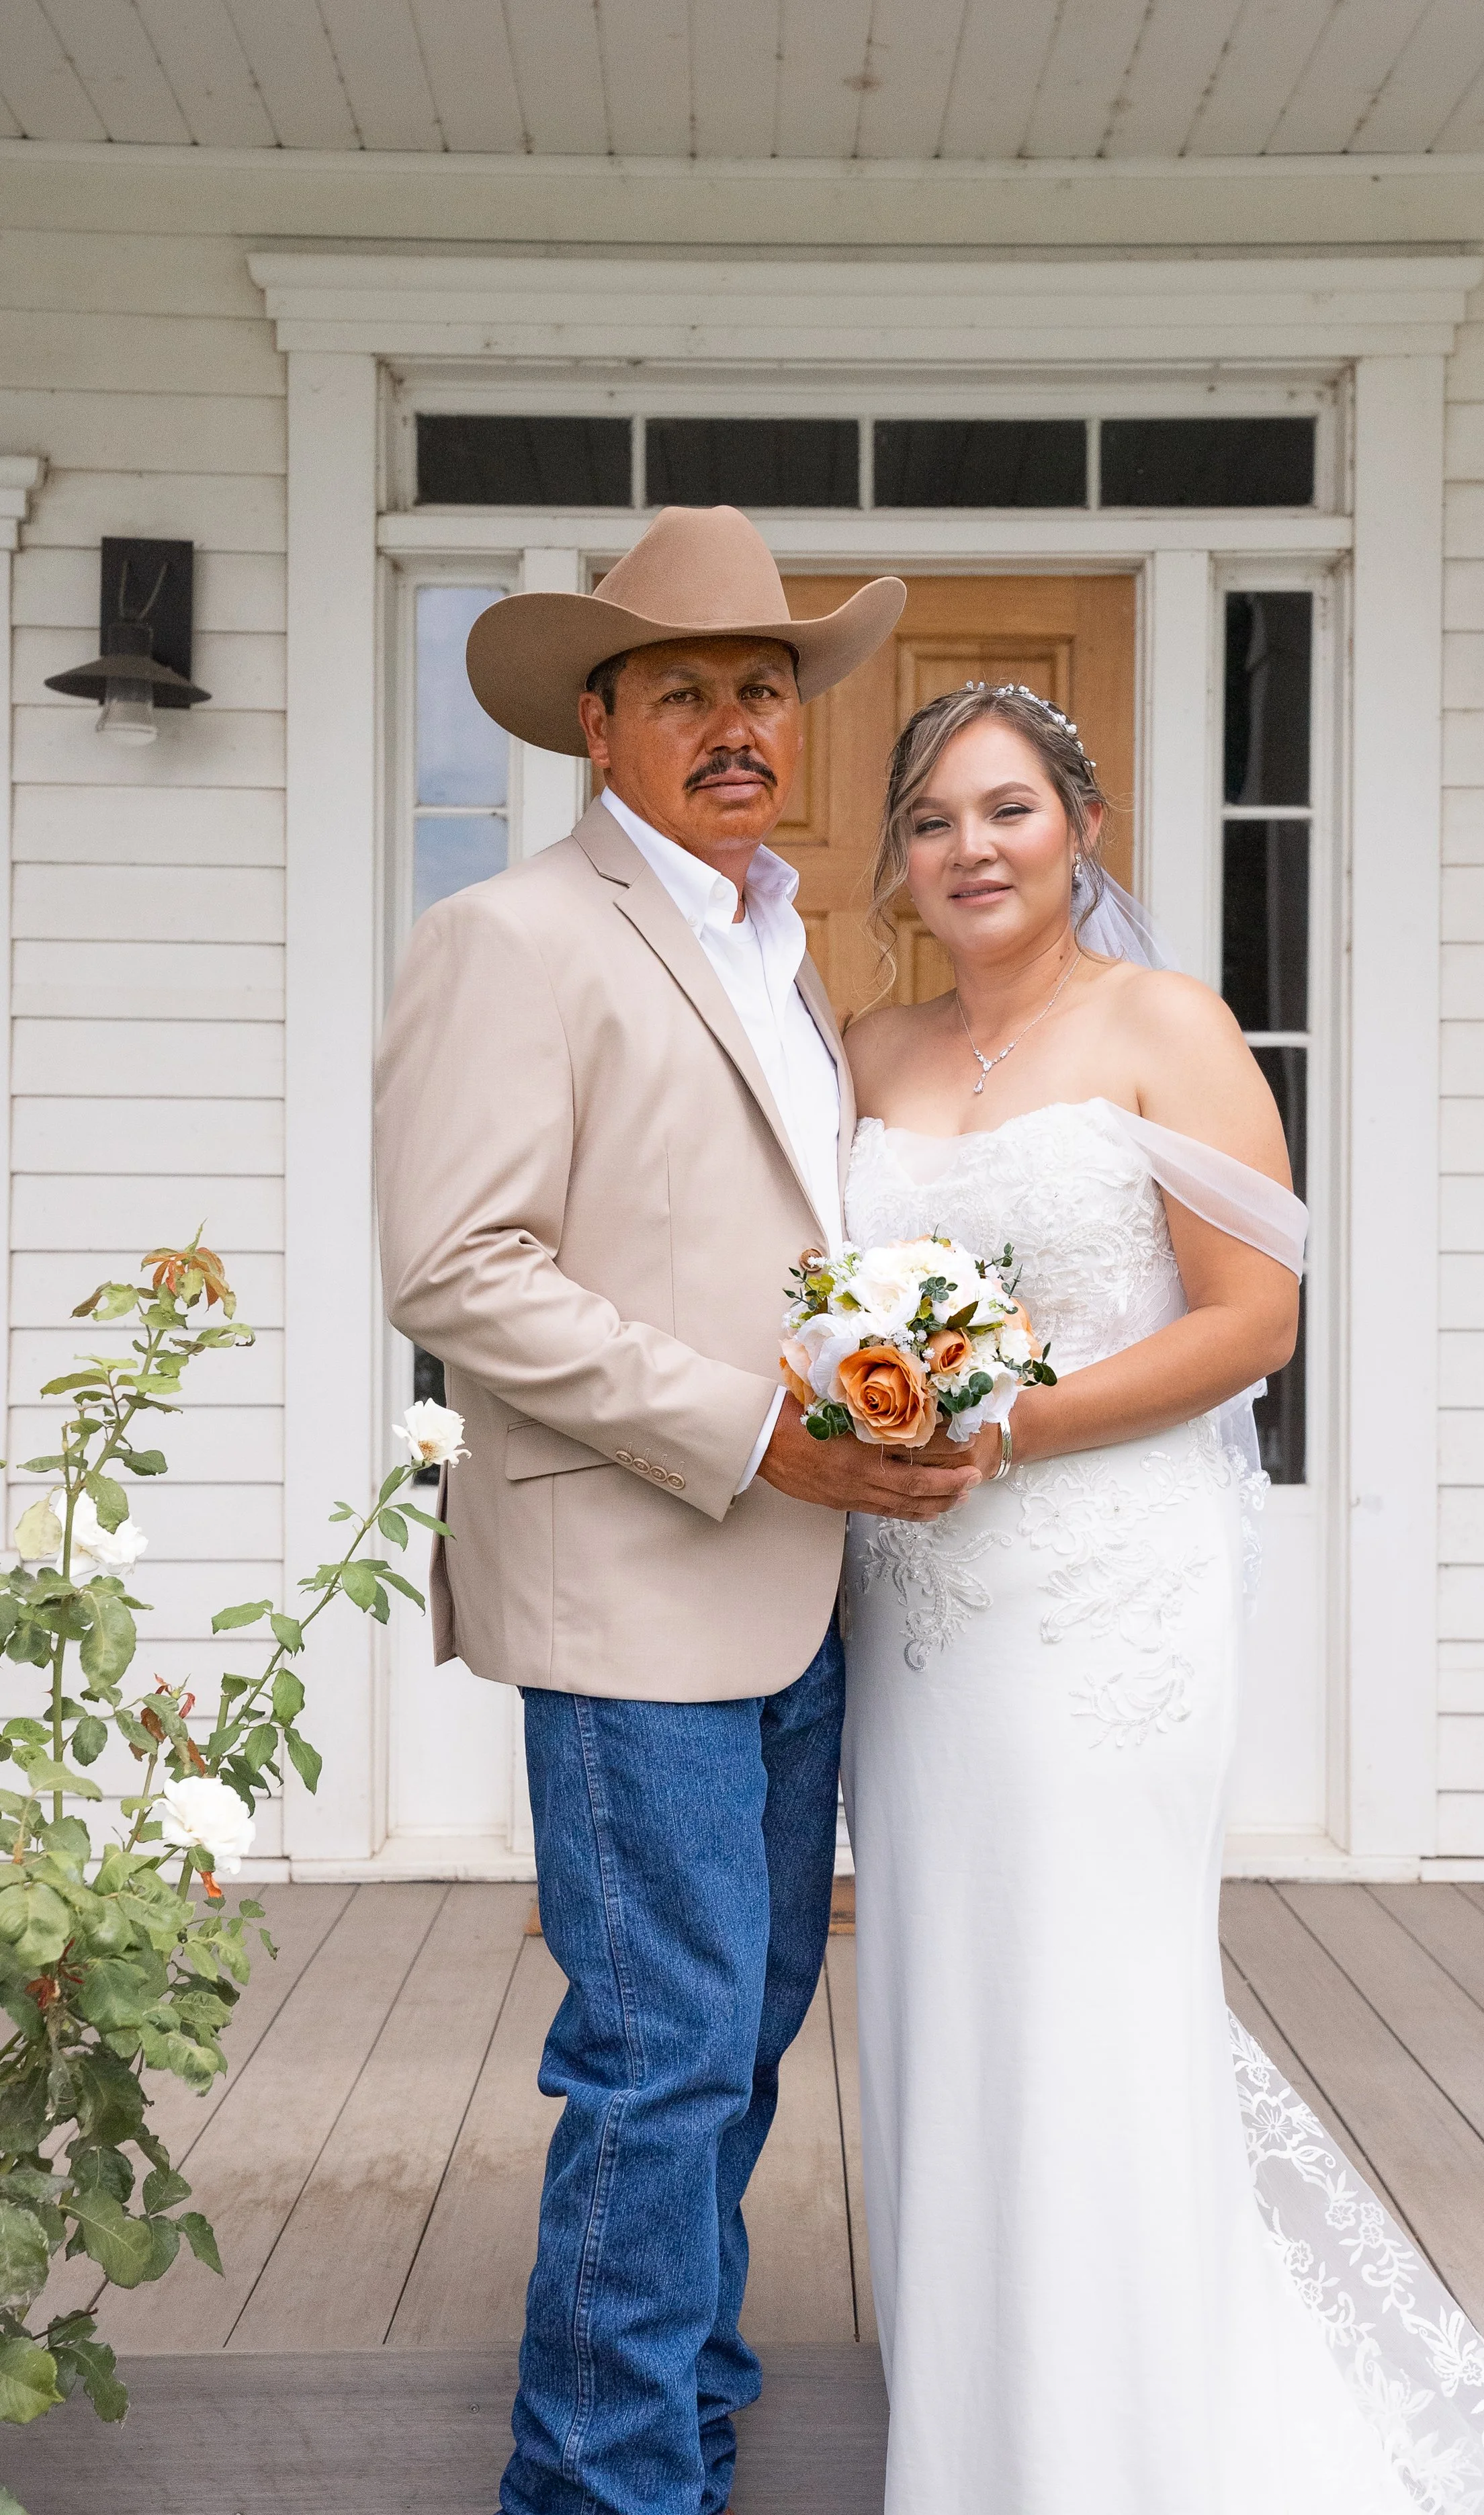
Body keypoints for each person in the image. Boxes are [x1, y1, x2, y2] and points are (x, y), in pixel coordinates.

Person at [838, 681, 1484, 2514]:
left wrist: (1005, 1427)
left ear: (1080, 826)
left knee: (1090, 1991)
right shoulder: (867, 1050)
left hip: (1106, 1587)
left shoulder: (1167, 1025)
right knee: (949, 1990)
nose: (971, 848)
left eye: (1008, 809)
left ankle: (1125, 2451)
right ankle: (981, 2436)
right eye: (934, 820)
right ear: (897, 859)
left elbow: (1252, 1320)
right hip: (919, 1603)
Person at [373, 505, 979, 2515]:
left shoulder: (783, 951)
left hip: (799, 1580)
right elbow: (456, 1270)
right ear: (599, 721)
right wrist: (752, 1431)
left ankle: (681, 2408)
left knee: (744, 2025)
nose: (739, 726)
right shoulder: (512, 937)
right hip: (633, 1580)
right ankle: (600, 2481)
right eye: (689, 691)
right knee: (665, 2047)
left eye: (765, 690)